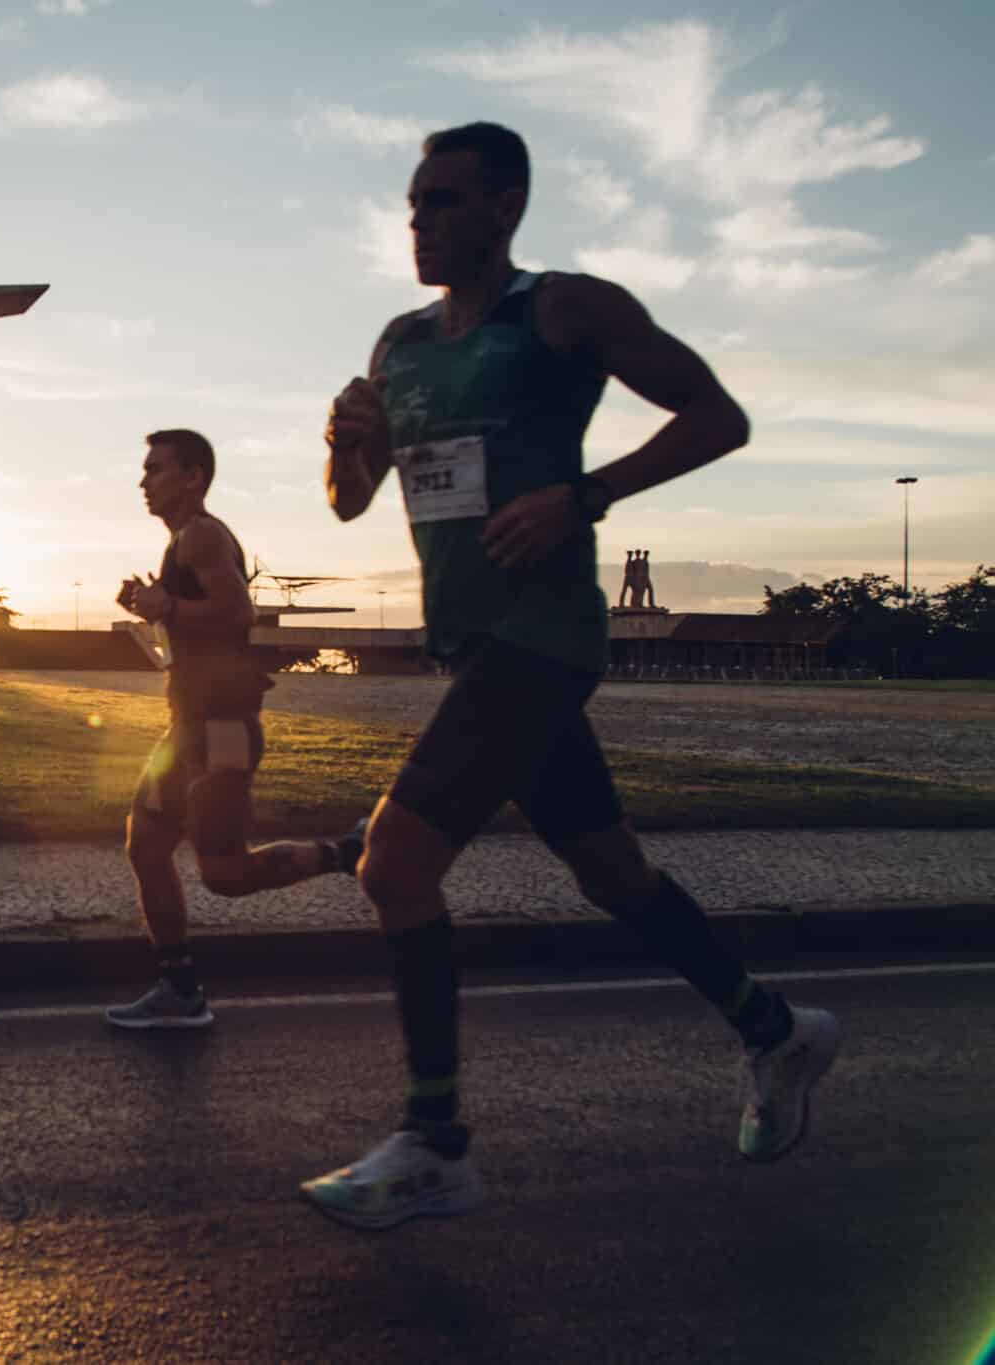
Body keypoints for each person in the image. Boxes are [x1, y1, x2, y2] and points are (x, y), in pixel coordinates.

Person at [303, 122, 839, 1230]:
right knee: (611, 874)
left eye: (444, 201)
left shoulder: (563, 309)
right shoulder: (395, 342)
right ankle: (774, 1030)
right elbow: (348, 501)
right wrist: (341, 441)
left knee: (392, 861)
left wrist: (579, 497)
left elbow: (716, 418)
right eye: (412, 203)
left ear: (503, 207)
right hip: (472, 642)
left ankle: (435, 1142)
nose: (420, 220)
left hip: (543, 633)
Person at [105, 429, 363, 1029]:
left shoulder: (202, 535)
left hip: (222, 729)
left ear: (193, 478)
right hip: (189, 727)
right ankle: (179, 986)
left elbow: (237, 612)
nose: (144, 481)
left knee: (222, 872)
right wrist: (155, 603)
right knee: (144, 843)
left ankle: (346, 852)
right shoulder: (182, 542)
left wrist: (165, 606)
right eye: (145, 471)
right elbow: (202, 624)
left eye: (156, 470)